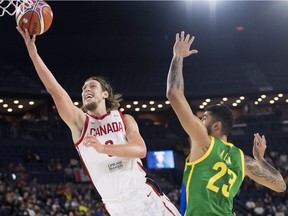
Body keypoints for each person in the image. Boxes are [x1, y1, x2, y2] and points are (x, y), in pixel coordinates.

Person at [17, 27, 181, 216]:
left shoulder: (124, 118)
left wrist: (103, 148)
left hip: (143, 197)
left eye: (92, 86)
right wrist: (33, 54)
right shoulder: (80, 123)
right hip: (115, 207)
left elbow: (140, 150)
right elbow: (54, 90)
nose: (86, 90)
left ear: (105, 94)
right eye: (83, 88)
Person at [166, 31, 286, 216]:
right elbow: (280, 185)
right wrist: (260, 159)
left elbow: (174, 93)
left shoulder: (203, 141)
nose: (200, 120)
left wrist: (177, 57)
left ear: (216, 126)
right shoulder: (242, 160)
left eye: (204, 117)